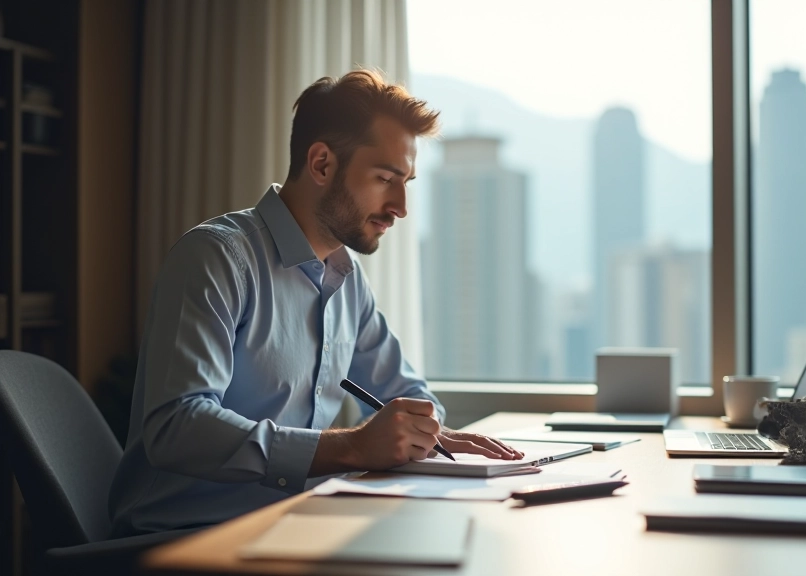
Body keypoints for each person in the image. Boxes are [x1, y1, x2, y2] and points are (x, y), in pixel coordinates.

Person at [109, 70, 523, 536]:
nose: (401, 206)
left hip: (297, 528)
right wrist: (352, 447)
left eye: (406, 181)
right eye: (385, 178)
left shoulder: (347, 278)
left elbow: (405, 393)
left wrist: (427, 430)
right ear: (322, 164)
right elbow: (177, 428)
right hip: (185, 542)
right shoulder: (216, 257)